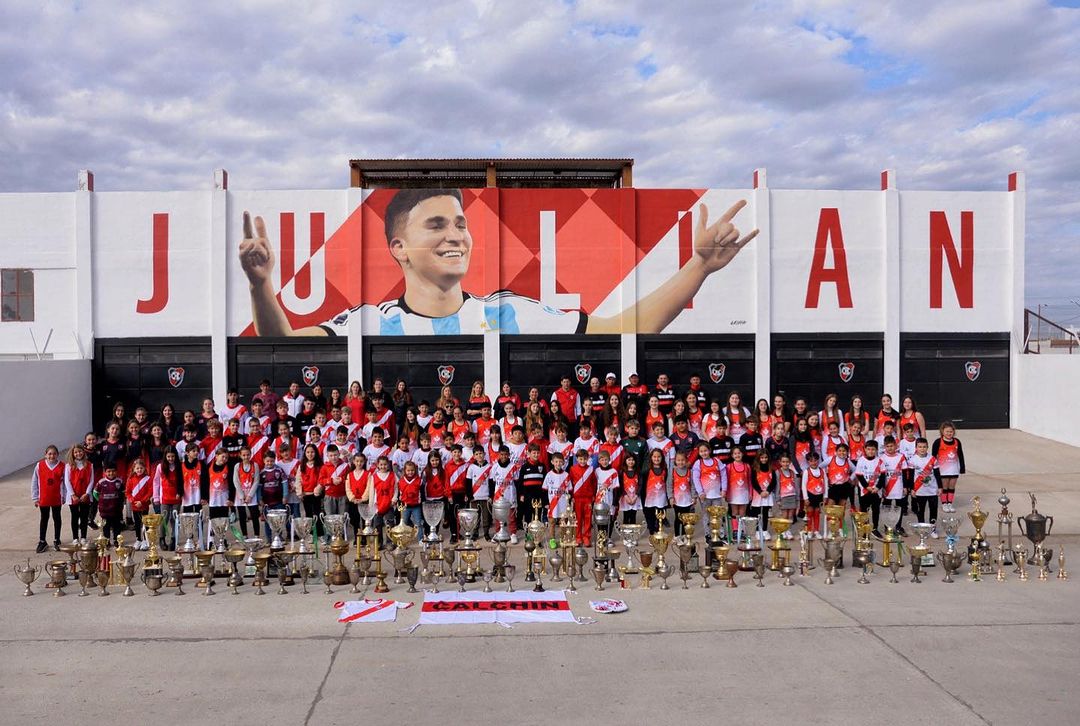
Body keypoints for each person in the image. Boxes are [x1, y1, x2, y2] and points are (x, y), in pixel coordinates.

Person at [240, 190, 757, 336]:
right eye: (436, 225)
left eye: (460, 223)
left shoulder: (510, 312)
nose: (456, 235)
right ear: (398, 248)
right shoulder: (370, 322)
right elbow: (282, 349)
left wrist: (698, 268)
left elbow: (626, 329)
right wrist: (261, 285)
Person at [32, 444, 65, 552]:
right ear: (45, 455)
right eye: (49, 454)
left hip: (56, 497)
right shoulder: (39, 465)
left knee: (57, 518)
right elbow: (34, 482)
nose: (52, 456)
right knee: (44, 519)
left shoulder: (62, 466)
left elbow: (65, 483)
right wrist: (35, 497)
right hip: (44, 498)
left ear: (57, 455)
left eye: (54, 454)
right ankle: (42, 541)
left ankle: (57, 540)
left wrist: (64, 496)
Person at [932, 421, 966, 513]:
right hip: (943, 469)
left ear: (953, 432)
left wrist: (962, 467)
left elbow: (960, 455)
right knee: (944, 487)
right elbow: (933, 456)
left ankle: (950, 503)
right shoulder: (938, 442)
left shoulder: (957, 442)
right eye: (947, 431)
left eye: (951, 431)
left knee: (951, 487)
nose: (949, 433)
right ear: (942, 431)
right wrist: (932, 468)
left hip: (954, 468)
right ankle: (944, 504)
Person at [879, 436, 910, 536]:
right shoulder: (881, 458)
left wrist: (906, 487)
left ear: (895, 446)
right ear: (884, 447)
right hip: (887, 487)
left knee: (899, 507)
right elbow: (880, 475)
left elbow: (905, 472)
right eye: (887, 446)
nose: (889, 448)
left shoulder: (901, 457)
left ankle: (899, 527)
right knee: (886, 507)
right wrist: (882, 487)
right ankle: (887, 527)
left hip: (898, 486)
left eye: (891, 446)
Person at [854, 439, 884, 537]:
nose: (870, 451)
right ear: (865, 450)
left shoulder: (880, 461)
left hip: (876, 491)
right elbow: (859, 476)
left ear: (876, 450)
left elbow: (883, 476)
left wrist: (877, 488)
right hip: (864, 490)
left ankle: (875, 528)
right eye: (868, 449)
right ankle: (865, 528)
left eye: (873, 449)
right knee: (864, 510)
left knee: (876, 510)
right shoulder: (861, 461)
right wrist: (867, 487)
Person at [490, 446, 520, 544]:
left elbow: (517, 481)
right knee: (498, 516)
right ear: (499, 454)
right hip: (498, 495)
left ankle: (513, 534)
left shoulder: (513, 466)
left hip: (510, 494)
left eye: (506, 454)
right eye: (502, 454)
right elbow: (492, 482)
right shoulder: (494, 467)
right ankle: (498, 533)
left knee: (511, 517)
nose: (504, 456)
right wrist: (491, 496)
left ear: (509, 455)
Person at [65, 444, 94, 545]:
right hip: (73, 496)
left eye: (80, 451)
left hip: (84, 495)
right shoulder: (68, 466)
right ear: (73, 454)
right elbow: (67, 481)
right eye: (76, 452)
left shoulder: (89, 465)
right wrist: (72, 495)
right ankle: (75, 538)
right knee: (74, 517)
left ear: (83, 452)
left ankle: (83, 537)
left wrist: (87, 493)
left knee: (84, 517)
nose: (78, 453)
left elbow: (91, 480)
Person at [568, 449, 597, 546]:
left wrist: (593, 495)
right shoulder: (572, 469)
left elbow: (594, 483)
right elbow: (570, 483)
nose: (582, 461)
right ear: (577, 459)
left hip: (588, 498)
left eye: (584, 459)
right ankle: (578, 537)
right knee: (578, 519)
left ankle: (586, 537)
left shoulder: (591, 469)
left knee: (588, 519)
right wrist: (571, 496)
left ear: (588, 459)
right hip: (577, 498)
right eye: (580, 459)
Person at [233, 446, 261, 538]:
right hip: (240, 495)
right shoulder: (237, 466)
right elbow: (236, 481)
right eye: (244, 455)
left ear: (250, 454)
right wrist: (242, 495)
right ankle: (245, 536)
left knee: (254, 515)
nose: (246, 457)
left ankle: (256, 536)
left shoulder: (255, 465)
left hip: (251, 495)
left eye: (248, 455)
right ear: (240, 455)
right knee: (242, 516)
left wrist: (250, 495)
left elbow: (256, 481)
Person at [465, 447, 493, 540]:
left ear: (484, 454)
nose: (479, 456)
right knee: (475, 517)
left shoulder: (489, 467)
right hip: (475, 497)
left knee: (486, 517)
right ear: (474, 456)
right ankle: (475, 533)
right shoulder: (471, 467)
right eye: (476, 454)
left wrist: (491, 496)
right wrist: (470, 496)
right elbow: (468, 483)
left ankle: (486, 533)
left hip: (486, 497)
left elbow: (491, 482)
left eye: (480, 453)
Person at [94, 464, 125, 546]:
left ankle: (116, 540)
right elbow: (95, 493)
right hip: (105, 510)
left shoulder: (119, 481)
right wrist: (101, 501)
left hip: (116, 509)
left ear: (116, 471)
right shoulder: (101, 482)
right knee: (106, 526)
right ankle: (107, 540)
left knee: (117, 525)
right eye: (109, 471)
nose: (111, 473)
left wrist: (120, 502)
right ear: (105, 472)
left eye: (113, 471)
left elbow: (123, 493)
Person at [125, 458, 153, 550]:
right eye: (137, 468)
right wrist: (132, 500)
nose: (139, 470)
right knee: (137, 523)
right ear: (133, 469)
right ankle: (138, 539)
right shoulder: (131, 479)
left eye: (141, 468)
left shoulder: (148, 479)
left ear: (144, 468)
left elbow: (150, 491)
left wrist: (142, 501)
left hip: (144, 505)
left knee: (145, 522)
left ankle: (146, 540)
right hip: (135, 505)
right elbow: (128, 492)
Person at [691, 440, 726, 510]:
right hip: (704, 496)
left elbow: (724, 476)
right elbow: (696, 479)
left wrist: (724, 489)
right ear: (699, 452)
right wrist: (700, 492)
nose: (704, 453)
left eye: (705, 450)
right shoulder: (698, 463)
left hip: (717, 495)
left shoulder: (717, 461)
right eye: (701, 451)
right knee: (705, 517)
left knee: (717, 516)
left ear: (709, 450)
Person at [642, 448, 670, 535]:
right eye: (654, 457)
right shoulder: (647, 470)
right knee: (650, 515)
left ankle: (658, 531)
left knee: (660, 515)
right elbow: (643, 482)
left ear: (662, 458)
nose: (656, 459)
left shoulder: (665, 469)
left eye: (659, 457)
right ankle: (651, 532)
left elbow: (665, 481)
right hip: (650, 496)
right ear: (651, 458)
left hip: (660, 496)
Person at [544, 452, 571, 537]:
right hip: (552, 503)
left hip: (563, 503)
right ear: (552, 462)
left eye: (560, 461)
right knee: (552, 522)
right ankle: (552, 539)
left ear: (563, 462)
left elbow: (570, 491)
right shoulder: (549, 475)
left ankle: (562, 538)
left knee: (563, 521)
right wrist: (546, 503)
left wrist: (569, 503)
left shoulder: (566, 475)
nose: (558, 463)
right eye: (556, 461)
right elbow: (545, 489)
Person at [801, 451, 827, 539]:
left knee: (817, 513)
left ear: (818, 461)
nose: (814, 462)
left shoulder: (822, 471)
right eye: (811, 461)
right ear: (808, 462)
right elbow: (803, 485)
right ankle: (809, 530)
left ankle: (816, 531)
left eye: (815, 460)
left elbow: (826, 484)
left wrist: (825, 496)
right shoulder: (806, 472)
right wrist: (805, 498)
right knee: (810, 513)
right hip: (810, 494)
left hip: (819, 495)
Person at [670, 450, 696, 537]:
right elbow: (669, 485)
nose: (680, 462)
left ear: (686, 461)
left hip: (687, 500)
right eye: (678, 460)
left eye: (682, 460)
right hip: (677, 500)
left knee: (686, 519)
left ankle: (685, 535)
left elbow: (692, 485)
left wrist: (694, 497)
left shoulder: (690, 472)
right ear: (675, 461)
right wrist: (671, 497)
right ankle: (677, 535)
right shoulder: (672, 471)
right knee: (678, 518)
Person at [750, 450, 774, 539]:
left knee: (765, 512)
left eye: (766, 457)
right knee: (757, 512)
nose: (764, 459)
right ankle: (757, 531)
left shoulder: (771, 468)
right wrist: (760, 492)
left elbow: (773, 481)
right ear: (758, 458)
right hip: (758, 494)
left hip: (767, 493)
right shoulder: (755, 468)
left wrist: (768, 491)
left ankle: (765, 530)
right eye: (762, 458)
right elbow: (753, 482)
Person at [774, 454, 799, 538]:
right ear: (780, 462)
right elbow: (777, 486)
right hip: (783, 497)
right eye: (783, 462)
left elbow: (796, 486)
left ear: (790, 462)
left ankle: (788, 530)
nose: (785, 464)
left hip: (792, 496)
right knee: (784, 515)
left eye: (787, 462)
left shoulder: (792, 473)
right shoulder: (778, 472)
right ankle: (783, 531)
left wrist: (797, 498)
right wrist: (778, 498)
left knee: (791, 515)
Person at [618, 454, 642, 526]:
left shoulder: (638, 472)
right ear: (625, 461)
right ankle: (625, 535)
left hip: (635, 497)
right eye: (629, 460)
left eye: (632, 460)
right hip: (625, 498)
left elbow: (640, 485)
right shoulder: (622, 472)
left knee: (633, 516)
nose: (631, 462)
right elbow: (621, 485)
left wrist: (636, 496)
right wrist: (625, 496)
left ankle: (632, 535)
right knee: (626, 516)